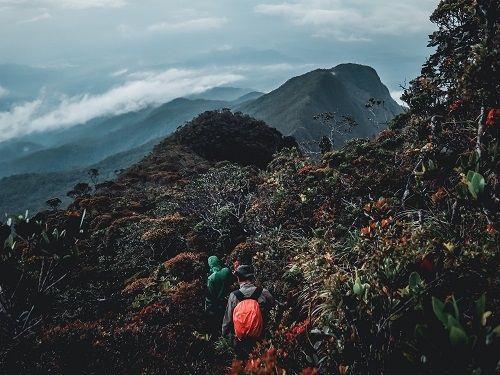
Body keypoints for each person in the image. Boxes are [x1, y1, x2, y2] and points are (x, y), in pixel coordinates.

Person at [221, 264, 275, 360]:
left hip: (241, 340)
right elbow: (274, 307)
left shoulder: (234, 295)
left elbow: (227, 320)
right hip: (262, 336)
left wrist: (226, 336)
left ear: (238, 278)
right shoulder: (263, 292)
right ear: (252, 277)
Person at [205, 255, 232, 334]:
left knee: (220, 324)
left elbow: (210, 295)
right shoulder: (226, 271)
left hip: (217, 305)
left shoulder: (211, 278)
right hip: (228, 300)